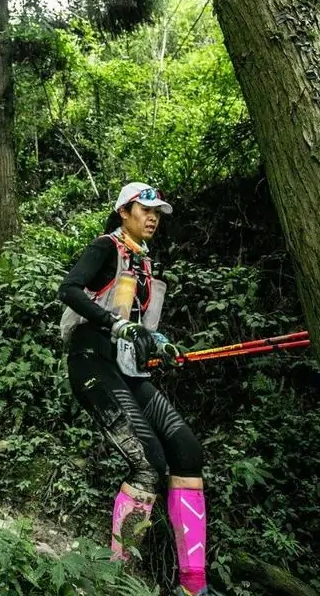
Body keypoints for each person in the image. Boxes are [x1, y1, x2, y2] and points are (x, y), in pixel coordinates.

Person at [58, 183, 210, 596]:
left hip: (129, 370)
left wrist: (157, 342)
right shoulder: (105, 247)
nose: (153, 217)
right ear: (124, 211)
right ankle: (118, 582)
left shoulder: (143, 263)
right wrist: (114, 324)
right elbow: (68, 289)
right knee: (149, 463)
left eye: (157, 211)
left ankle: (194, 585)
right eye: (145, 209)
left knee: (188, 452)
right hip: (93, 363)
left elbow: (139, 325)